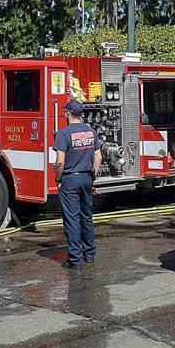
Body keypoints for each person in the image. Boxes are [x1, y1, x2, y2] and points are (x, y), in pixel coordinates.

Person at [53, 100, 102, 270]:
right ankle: (89, 254)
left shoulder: (63, 134)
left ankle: (75, 259)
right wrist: (92, 175)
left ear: (68, 113)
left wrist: (58, 178)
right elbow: (98, 156)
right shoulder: (91, 132)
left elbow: (60, 162)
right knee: (86, 216)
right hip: (86, 178)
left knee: (72, 219)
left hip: (70, 179)